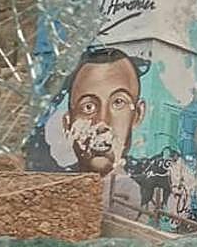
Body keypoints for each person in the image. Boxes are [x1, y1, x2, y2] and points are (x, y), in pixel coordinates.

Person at [62, 46, 150, 176]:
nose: (102, 122)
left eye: (118, 102)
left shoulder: (151, 185)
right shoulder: (52, 187)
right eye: (88, 107)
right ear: (68, 123)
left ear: (137, 114)